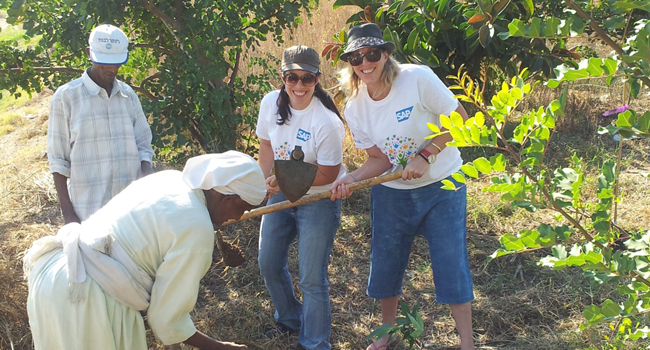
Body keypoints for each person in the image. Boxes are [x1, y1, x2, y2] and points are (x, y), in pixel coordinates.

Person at [23, 151, 266, 350]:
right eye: (241, 208)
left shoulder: (171, 180)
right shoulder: (197, 229)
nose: (238, 218)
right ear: (226, 197)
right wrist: (221, 347)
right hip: (87, 299)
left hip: (54, 275)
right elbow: (165, 318)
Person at [330, 23, 475, 350]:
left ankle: (467, 343)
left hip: (443, 186)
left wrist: (426, 154)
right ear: (350, 63)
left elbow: (461, 118)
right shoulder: (354, 107)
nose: (365, 62)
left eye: (372, 54)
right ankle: (388, 334)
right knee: (386, 264)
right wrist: (350, 180)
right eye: (356, 57)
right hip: (392, 195)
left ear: (385, 54)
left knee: (451, 263)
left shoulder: (417, 79)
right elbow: (379, 160)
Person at [256, 45, 345, 350]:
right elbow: (266, 147)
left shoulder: (327, 122)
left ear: (317, 79)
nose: (298, 85)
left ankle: (315, 342)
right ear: (282, 77)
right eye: (291, 77)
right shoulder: (270, 103)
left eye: (306, 78)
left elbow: (329, 174)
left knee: (311, 277)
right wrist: (260, 183)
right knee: (268, 262)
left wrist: (281, 178)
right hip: (280, 194)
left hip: (318, 199)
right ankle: (291, 317)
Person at [47, 24, 154, 224]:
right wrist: (68, 215)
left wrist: (147, 174)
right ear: (89, 54)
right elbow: (58, 161)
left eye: (116, 63)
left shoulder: (128, 95)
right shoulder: (67, 97)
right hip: (88, 212)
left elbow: (143, 143)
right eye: (104, 63)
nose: (111, 69)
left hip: (130, 210)